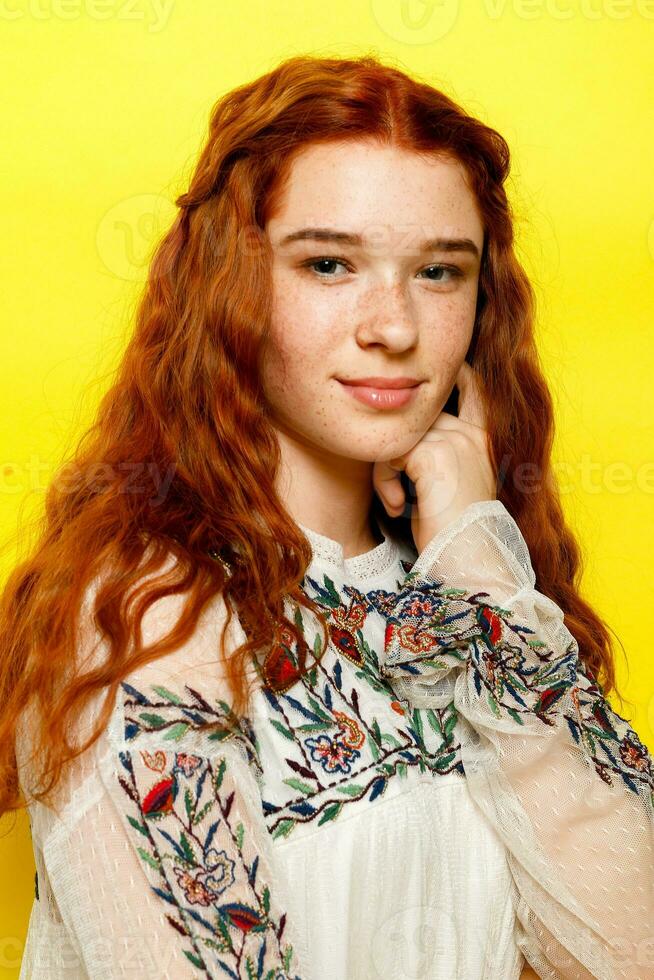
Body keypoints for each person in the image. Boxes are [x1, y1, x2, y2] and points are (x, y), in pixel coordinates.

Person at [1, 53, 652, 979]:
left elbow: (633, 947)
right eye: (329, 263)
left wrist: (478, 561)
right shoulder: (145, 613)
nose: (392, 325)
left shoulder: (466, 585)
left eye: (437, 271)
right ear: (232, 286)